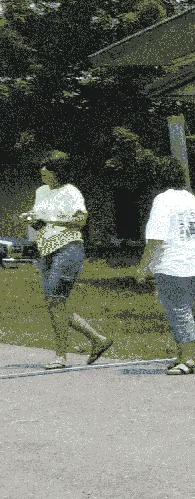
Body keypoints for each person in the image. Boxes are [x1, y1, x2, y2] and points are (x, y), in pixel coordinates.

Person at [15, 150, 113, 368]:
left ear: (57, 173)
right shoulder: (41, 191)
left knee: (56, 301)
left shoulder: (71, 192)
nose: (43, 179)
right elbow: (42, 222)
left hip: (68, 248)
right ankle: (98, 340)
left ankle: (61, 356)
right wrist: (32, 219)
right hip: (46, 249)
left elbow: (80, 221)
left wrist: (51, 219)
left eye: (46, 175)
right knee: (54, 303)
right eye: (42, 176)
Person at [134, 176, 195, 373]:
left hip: (172, 264)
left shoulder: (162, 200)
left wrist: (142, 267)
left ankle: (188, 359)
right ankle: (182, 355)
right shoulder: (193, 201)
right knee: (181, 311)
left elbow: (155, 238)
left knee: (179, 312)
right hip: (194, 263)